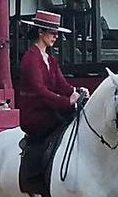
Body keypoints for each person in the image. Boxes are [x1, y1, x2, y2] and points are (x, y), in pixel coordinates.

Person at [18, 10, 88, 143]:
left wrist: (77, 91)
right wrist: (66, 102)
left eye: (57, 34)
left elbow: (62, 85)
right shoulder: (30, 58)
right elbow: (39, 91)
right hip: (36, 114)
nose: (56, 37)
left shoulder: (50, 59)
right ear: (40, 32)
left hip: (51, 110)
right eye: (52, 33)